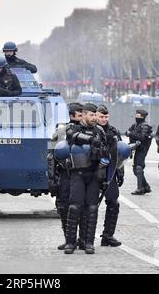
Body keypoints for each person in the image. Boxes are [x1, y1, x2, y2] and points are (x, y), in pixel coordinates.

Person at [64, 103, 109, 255]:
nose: (94, 118)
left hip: (94, 174)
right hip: (78, 173)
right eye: (91, 115)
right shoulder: (73, 127)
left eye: (95, 115)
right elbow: (73, 137)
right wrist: (90, 140)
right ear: (83, 115)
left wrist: (103, 170)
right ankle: (71, 242)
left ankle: (88, 242)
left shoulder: (100, 131)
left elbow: (106, 152)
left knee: (92, 208)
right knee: (75, 207)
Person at [48, 103, 83, 251]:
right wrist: (52, 178)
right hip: (64, 173)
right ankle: (69, 238)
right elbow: (51, 156)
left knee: (79, 207)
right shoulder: (61, 131)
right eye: (79, 115)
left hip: (80, 173)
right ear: (72, 115)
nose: (82, 117)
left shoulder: (87, 130)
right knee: (62, 207)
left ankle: (82, 239)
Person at [96, 105, 124, 247]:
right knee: (89, 205)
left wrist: (120, 172)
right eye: (101, 116)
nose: (104, 119)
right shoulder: (92, 130)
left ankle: (108, 235)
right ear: (96, 116)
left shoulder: (114, 131)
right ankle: (84, 237)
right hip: (94, 172)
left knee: (113, 202)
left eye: (106, 117)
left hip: (110, 172)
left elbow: (120, 153)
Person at [126, 110, 153, 195]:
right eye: (136, 115)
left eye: (139, 115)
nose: (137, 117)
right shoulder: (135, 125)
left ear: (143, 116)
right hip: (137, 148)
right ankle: (146, 187)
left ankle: (140, 188)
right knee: (136, 169)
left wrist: (131, 134)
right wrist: (130, 133)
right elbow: (128, 131)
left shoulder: (145, 125)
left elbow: (142, 137)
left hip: (142, 149)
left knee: (138, 168)